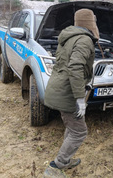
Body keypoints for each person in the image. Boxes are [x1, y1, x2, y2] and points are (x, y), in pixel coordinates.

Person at [43, 9, 99, 178]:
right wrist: (79, 98)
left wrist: (84, 84)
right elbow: (75, 67)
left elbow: (67, 64)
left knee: (72, 126)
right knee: (79, 131)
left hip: (60, 88)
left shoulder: (69, 37)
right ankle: (56, 166)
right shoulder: (84, 40)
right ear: (91, 22)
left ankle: (65, 161)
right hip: (67, 93)